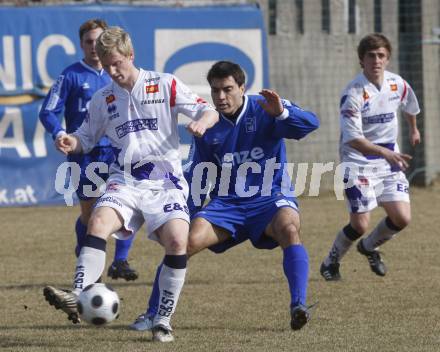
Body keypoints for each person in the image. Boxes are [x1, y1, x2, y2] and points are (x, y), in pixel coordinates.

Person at [42, 26, 219, 343]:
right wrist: (72, 141)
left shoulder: (165, 84)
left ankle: (163, 319)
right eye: (106, 65)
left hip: (164, 180)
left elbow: (208, 110)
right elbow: (86, 136)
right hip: (124, 178)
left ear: (130, 56)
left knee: (178, 242)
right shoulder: (103, 97)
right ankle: (79, 295)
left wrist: (201, 122)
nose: (111, 71)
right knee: (96, 222)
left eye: (116, 64)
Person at [130, 60, 320, 332]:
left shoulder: (265, 107)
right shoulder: (208, 126)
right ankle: (152, 314)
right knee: (184, 243)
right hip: (227, 205)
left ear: (242, 87)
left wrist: (281, 115)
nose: (220, 97)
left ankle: (298, 305)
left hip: (269, 198)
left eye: (228, 89)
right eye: (215, 90)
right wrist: (184, 217)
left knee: (289, 228)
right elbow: (198, 176)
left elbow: (310, 124)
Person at [39, 19, 138, 281]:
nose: (94, 47)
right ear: (81, 44)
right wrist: (60, 133)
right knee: (91, 211)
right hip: (85, 153)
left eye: (99, 41)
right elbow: (48, 110)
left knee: (127, 202)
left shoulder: (119, 72)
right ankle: (87, 255)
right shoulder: (71, 75)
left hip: (117, 150)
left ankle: (120, 261)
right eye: (89, 42)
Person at [320, 33, 421, 281]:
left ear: (387, 59)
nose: (376, 60)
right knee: (360, 224)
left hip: (388, 160)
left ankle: (368, 247)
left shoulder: (398, 83)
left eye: (381, 55)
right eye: (371, 56)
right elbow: (354, 139)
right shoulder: (353, 94)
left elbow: (409, 105)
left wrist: (413, 128)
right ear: (361, 60)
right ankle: (330, 262)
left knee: (402, 217)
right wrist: (387, 152)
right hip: (357, 161)